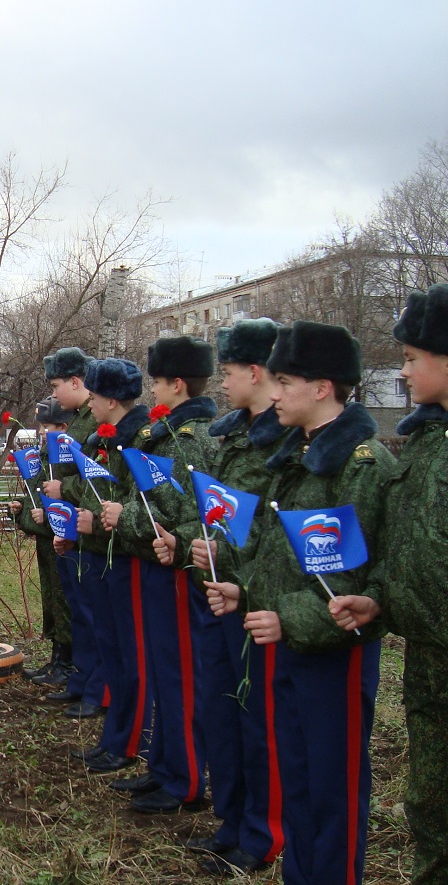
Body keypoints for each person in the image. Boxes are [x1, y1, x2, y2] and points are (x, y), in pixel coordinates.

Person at [206, 322, 396, 885]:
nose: (275, 393)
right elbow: (276, 553)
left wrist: (286, 615)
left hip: (332, 656)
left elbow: (354, 581)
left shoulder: (359, 465)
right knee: (298, 779)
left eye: (286, 381)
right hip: (284, 646)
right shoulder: (296, 458)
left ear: (323, 387)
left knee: (331, 788)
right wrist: (246, 591)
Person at [329, 283, 448, 885]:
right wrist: (380, 598)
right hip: (430, 658)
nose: (401, 372)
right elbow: (413, 546)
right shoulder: (430, 442)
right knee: (430, 804)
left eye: (410, 358)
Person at [182, 318, 288, 875]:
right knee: (219, 710)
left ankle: (262, 833)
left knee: (258, 720)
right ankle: (232, 818)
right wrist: (204, 546)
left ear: (256, 371)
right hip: (218, 593)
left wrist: (236, 570)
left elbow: (275, 532)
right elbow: (222, 512)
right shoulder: (227, 435)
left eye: (228, 372)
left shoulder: (284, 438)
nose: (222, 382)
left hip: (256, 601)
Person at [101, 336, 217, 813]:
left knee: (178, 675)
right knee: (164, 672)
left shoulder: (191, 442)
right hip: (157, 564)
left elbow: (183, 514)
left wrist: (122, 517)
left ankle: (185, 777)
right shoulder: (167, 436)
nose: (152, 390)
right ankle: (164, 766)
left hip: (177, 571)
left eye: (158, 381)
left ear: (178, 383)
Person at [53, 359, 152, 764]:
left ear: (111, 400)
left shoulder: (140, 441)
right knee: (112, 650)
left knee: (130, 658)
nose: (89, 403)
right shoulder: (102, 439)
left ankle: (130, 742)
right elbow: (90, 489)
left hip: (128, 558)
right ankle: (116, 740)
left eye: (94, 396)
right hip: (101, 555)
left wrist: (102, 521)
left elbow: (136, 501)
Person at [40, 348, 103, 702]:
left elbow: (93, 478)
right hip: (69, 525)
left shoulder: (92, 422)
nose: (53, 394)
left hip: (85, 525)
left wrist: (64, 489)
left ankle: (84, 676)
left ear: (76, 382)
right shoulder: (81, 419)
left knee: (86, 609)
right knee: (72, 604)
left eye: (56, 385)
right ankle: (75, 670)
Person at [8, 398, 74, 683]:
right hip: (46, 542)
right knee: (50, 599)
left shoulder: (66, 458)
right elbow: (36, 497)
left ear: (64, 426)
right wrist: (21, 509)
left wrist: (44, 516)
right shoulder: (44, 457)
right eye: (41, 426)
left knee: (63, 601)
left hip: (62, 543)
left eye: (48, 426)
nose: (42, 432)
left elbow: (64, 501)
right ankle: (55, 658)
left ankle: (67, 662)